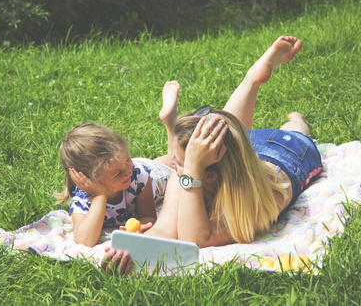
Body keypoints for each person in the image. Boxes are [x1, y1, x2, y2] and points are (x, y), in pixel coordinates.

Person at [101, 36, 322, 274]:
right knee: (227, 133)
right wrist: (133, 250)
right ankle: (251, 80)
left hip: (287, 152)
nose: (172, 165)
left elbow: (194, 239)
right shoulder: (187, 172)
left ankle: (298, 120)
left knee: (296, 131)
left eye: (182, 163)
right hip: (241, 149)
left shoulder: (257, 202)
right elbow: (165, 229)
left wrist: (192, 170)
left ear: (209, 177)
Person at [55, 122, 173, 247]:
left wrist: (144, 223)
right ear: (91, 180)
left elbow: (148, 215)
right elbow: (84, 241)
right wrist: (99, 195)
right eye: (118, 174)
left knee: (176, 162)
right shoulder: (82, 199)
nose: (128, 172)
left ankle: (172, 129)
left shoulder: (138, 175)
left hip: (157, 174)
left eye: (128, 159)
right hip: (129, 164)